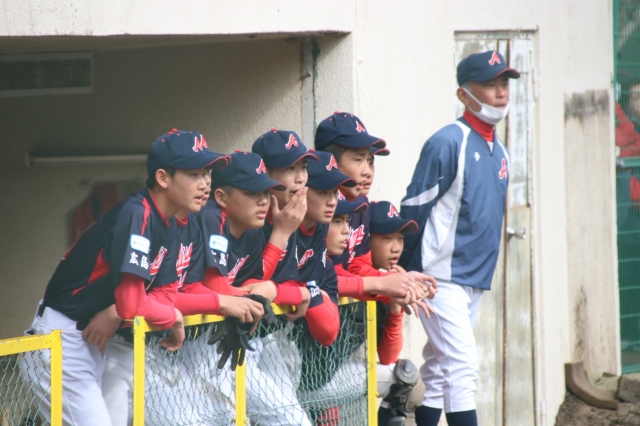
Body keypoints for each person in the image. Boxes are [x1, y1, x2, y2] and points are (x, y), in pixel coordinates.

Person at [20, 129, 228, 425]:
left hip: (92, 341)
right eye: (194, 174)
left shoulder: (169, 223)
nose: (205, 183)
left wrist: (138, 311)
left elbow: (165, 293)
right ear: (163, 178)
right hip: (61, 338)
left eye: (207, 173)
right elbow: (133, 304)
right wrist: (172, 317)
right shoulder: (137, 213)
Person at [400, 50, 519, 426]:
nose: (500, 92)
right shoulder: (448, 141)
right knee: (462, 366)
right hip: (439, 277)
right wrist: (403, 271)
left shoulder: (502, 151)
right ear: (464, 94)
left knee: (439, 369)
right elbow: (413, 209)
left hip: (474, 278)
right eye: (490, 84)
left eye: (504, 83)